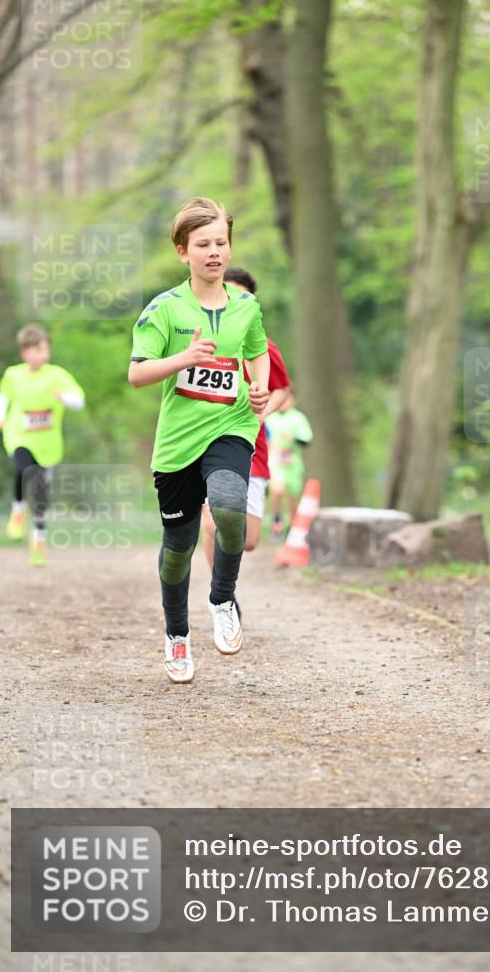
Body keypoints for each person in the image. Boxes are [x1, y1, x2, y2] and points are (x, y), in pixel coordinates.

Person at [128, 196, 270, 684]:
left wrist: (260, 386)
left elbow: (257, 353)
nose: (214, 252)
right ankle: (176, 635)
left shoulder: (246, 306)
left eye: (221, 242)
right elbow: (138, 374)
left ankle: (223, 597)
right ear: (182, 252)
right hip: (176, 444)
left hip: (231, 427)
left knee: (230, 506)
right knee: (178, 545)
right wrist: (184, 359)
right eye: (203, 244)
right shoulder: (164, 309)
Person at [201, 266, 290, 574]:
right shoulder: (201, 337)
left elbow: (281, 389)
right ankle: (222, 598)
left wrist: (260, 411)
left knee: (248, 539)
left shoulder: (262, 343)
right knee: (215, 523)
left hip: (252, 445)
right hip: (207, 440)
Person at [0, 324, 85, 566]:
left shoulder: (57, 374)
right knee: (23, 469)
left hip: (48, 443)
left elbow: (79, 400)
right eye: (39, 349)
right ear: (25, 352)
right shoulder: (13, 374)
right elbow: (4, 397)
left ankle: (38, 539)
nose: (45, 354)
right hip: (19, 435)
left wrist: (63, 398)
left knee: (41, 491)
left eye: (46, 348)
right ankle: (17, 511)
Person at [265, 389, 313, 535]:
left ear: (293, 400)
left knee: (292, 498)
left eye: (287, 399)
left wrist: (292, 438)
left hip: (292, 463)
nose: (283, 403)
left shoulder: (298, 418)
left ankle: (293, 528)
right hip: (274, 460)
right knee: (276, 488)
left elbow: (306, 439)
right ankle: (277, 518)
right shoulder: (270, 417)